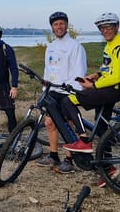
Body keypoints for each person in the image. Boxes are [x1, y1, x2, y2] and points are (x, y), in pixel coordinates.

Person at [61, 12, 120, 188]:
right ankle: (108, 168)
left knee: (68, 101)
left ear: (117, 27)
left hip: (112, 90)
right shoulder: (110, 45)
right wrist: (98, 75)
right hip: (108, 89)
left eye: (109, 27)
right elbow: (110, 69)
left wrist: (93, 85)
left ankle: (83, 139)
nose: (105, 31)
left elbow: (116, 76)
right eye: (102, 28)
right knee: (101, 129)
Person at [34, 11, 88, 174]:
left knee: (67, 124)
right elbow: (48, 69)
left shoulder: (75, 46)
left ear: (66, 25)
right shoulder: (50, 47)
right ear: (52, 27)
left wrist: (73, 89)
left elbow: (80, 70)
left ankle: (69, 159)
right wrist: (45, 88)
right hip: (53, 90)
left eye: (62, 24)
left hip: (67, 91)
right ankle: (53, 155)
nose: (59, 27)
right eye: (55, 24)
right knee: (50, 123)